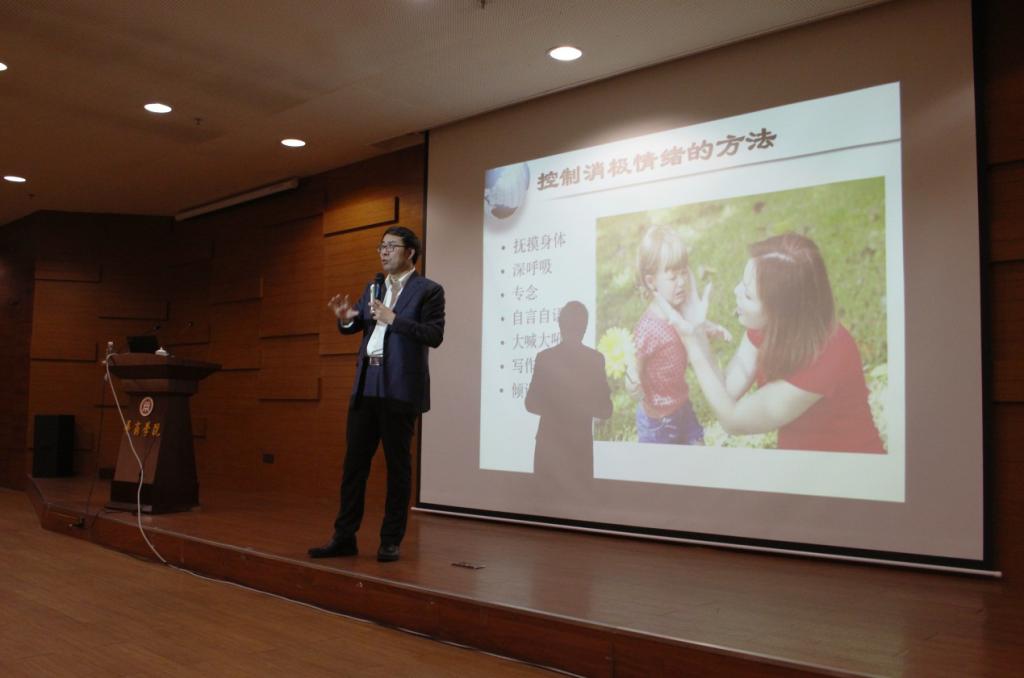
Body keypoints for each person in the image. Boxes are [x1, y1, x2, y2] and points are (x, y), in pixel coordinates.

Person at [657, 232, 883, 452]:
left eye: (748, 295)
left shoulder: (828, 356)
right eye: (742, 283)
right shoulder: (771, 326)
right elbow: (726, 391)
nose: (736, 291)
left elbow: (733, 421)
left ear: (781, 313)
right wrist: (695, 328)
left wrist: (691, 342)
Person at [309, 226, 445, 562]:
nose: (383, 252)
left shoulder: (429, 290)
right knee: (354, 466)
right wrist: (345, 319)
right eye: (381, 246)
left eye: (391, 246)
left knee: (398, 469)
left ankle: (390, 540)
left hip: (400, 388)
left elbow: (434, 335)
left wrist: (394, 318)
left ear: (410, 252)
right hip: (366, 385)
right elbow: (356, 324)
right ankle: (344, 537)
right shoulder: (374, 287)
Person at [631, 225, 707, 445]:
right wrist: (632, 381)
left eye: (684, 273)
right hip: (658, 423)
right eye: (673, 277)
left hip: (683, 407)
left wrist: (712, 329)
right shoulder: (648, 327)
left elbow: (693, 328)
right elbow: (635, 361)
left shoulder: (680, 310)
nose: (682, 282)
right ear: (651, 282)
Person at [525, 301, 613, 483]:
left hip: (548, 450)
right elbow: (605, 410)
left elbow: (530, 404)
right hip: (578, 451)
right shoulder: (595, 360)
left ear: (560, 325)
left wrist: (557, 406)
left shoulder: (544, 358)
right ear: (585, 327)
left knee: (544, 499)